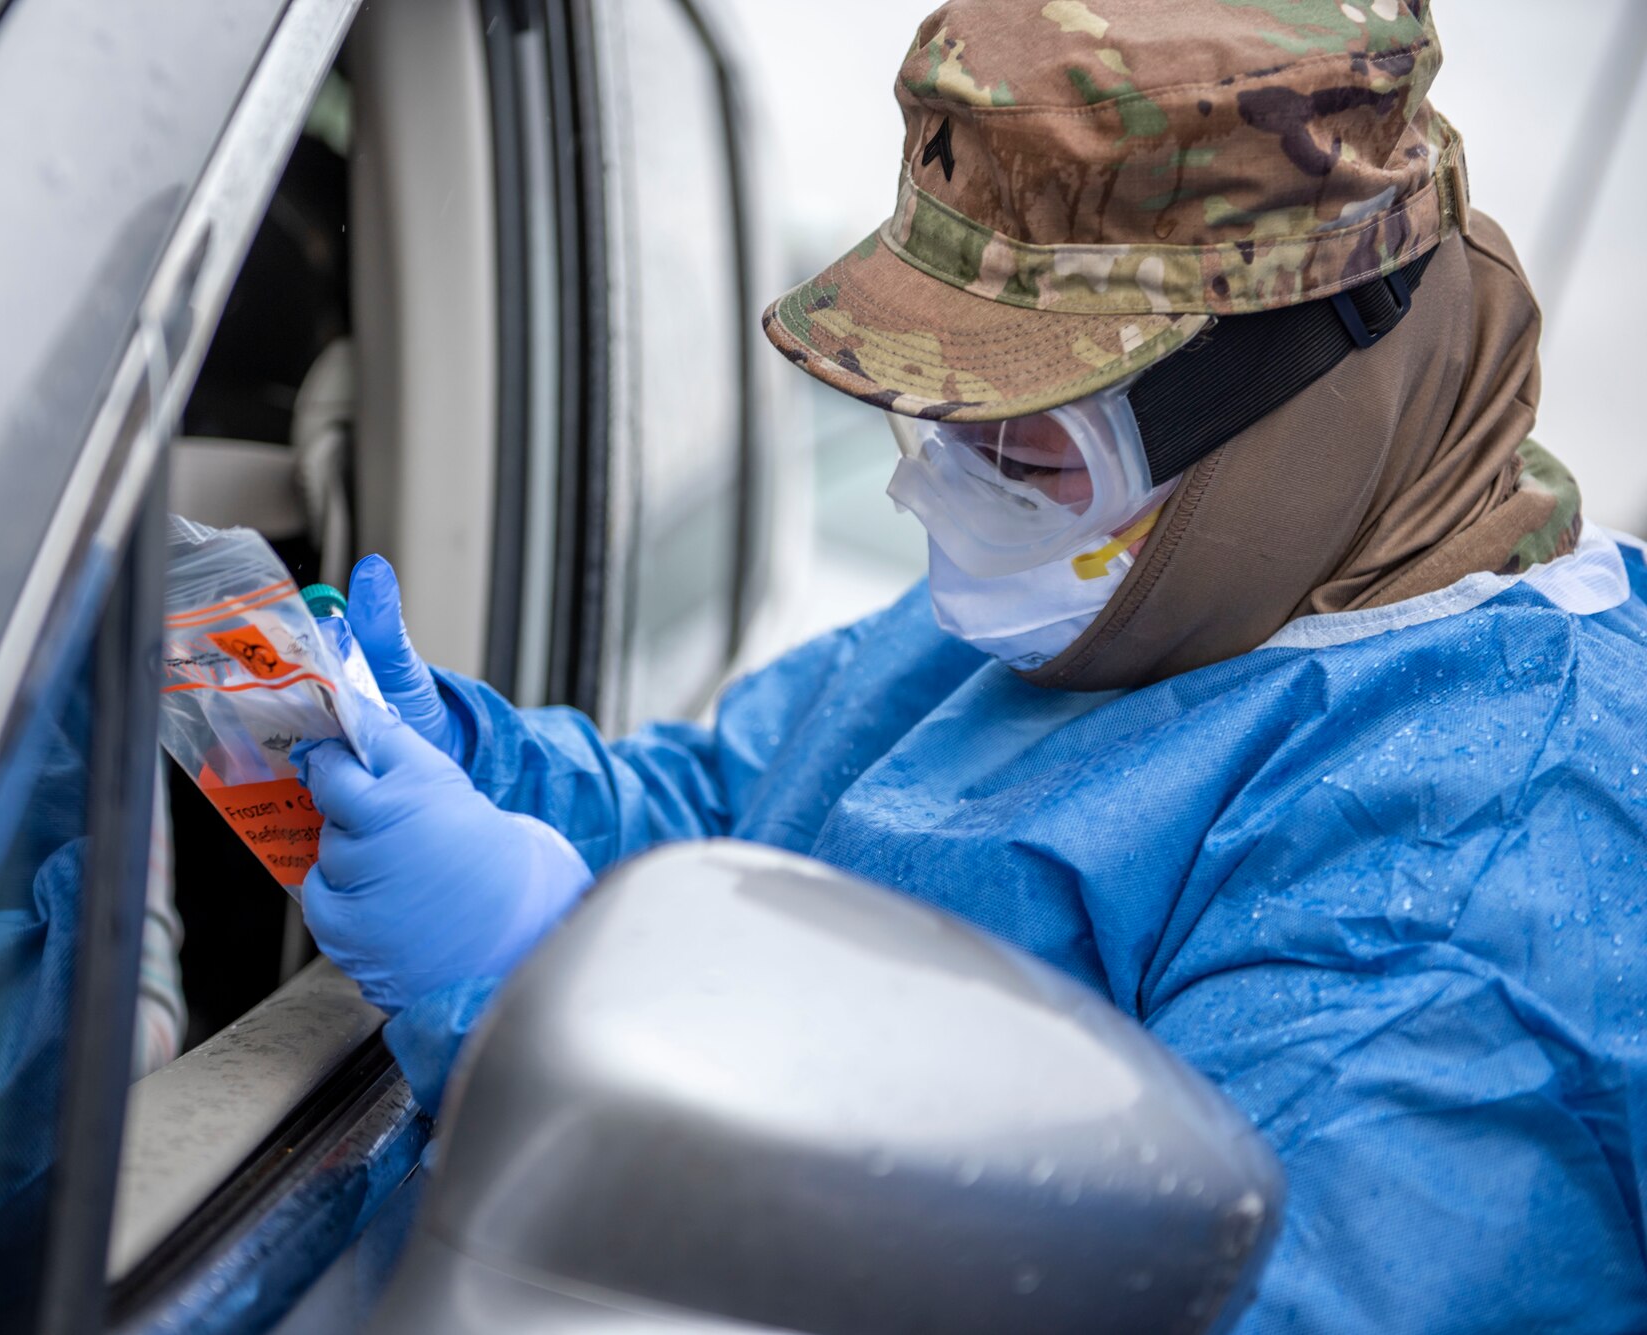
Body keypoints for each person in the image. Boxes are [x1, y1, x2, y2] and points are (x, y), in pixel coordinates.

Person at [292, 2, 1647, 1329]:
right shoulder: (1137, 585)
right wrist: (459, 768)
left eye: (1016, 444)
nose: (934, 496)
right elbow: (738, 818)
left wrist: (532, 1000)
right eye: (933, 423)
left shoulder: (1477, 870)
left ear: (1296, 408)